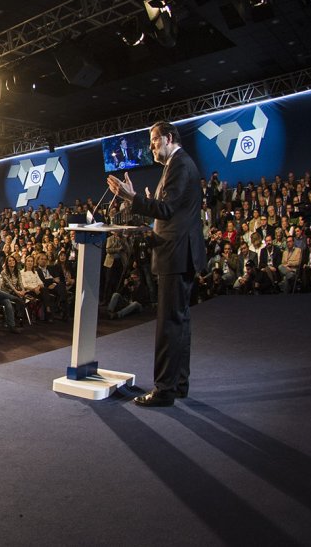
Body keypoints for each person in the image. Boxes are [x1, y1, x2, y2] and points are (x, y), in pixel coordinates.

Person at [107, 120, 205, 407]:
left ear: (169, 138)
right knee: (179, 322)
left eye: (153, 140)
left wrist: (132, 197)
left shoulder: (178, 165)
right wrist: (146, 204)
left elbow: (166, 209)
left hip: (175, 255)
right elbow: (169, 212)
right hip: (177, 252)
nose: (150, 146)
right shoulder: (177, 165)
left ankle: (164, 390)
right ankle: (178, 385)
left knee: (168, 325)